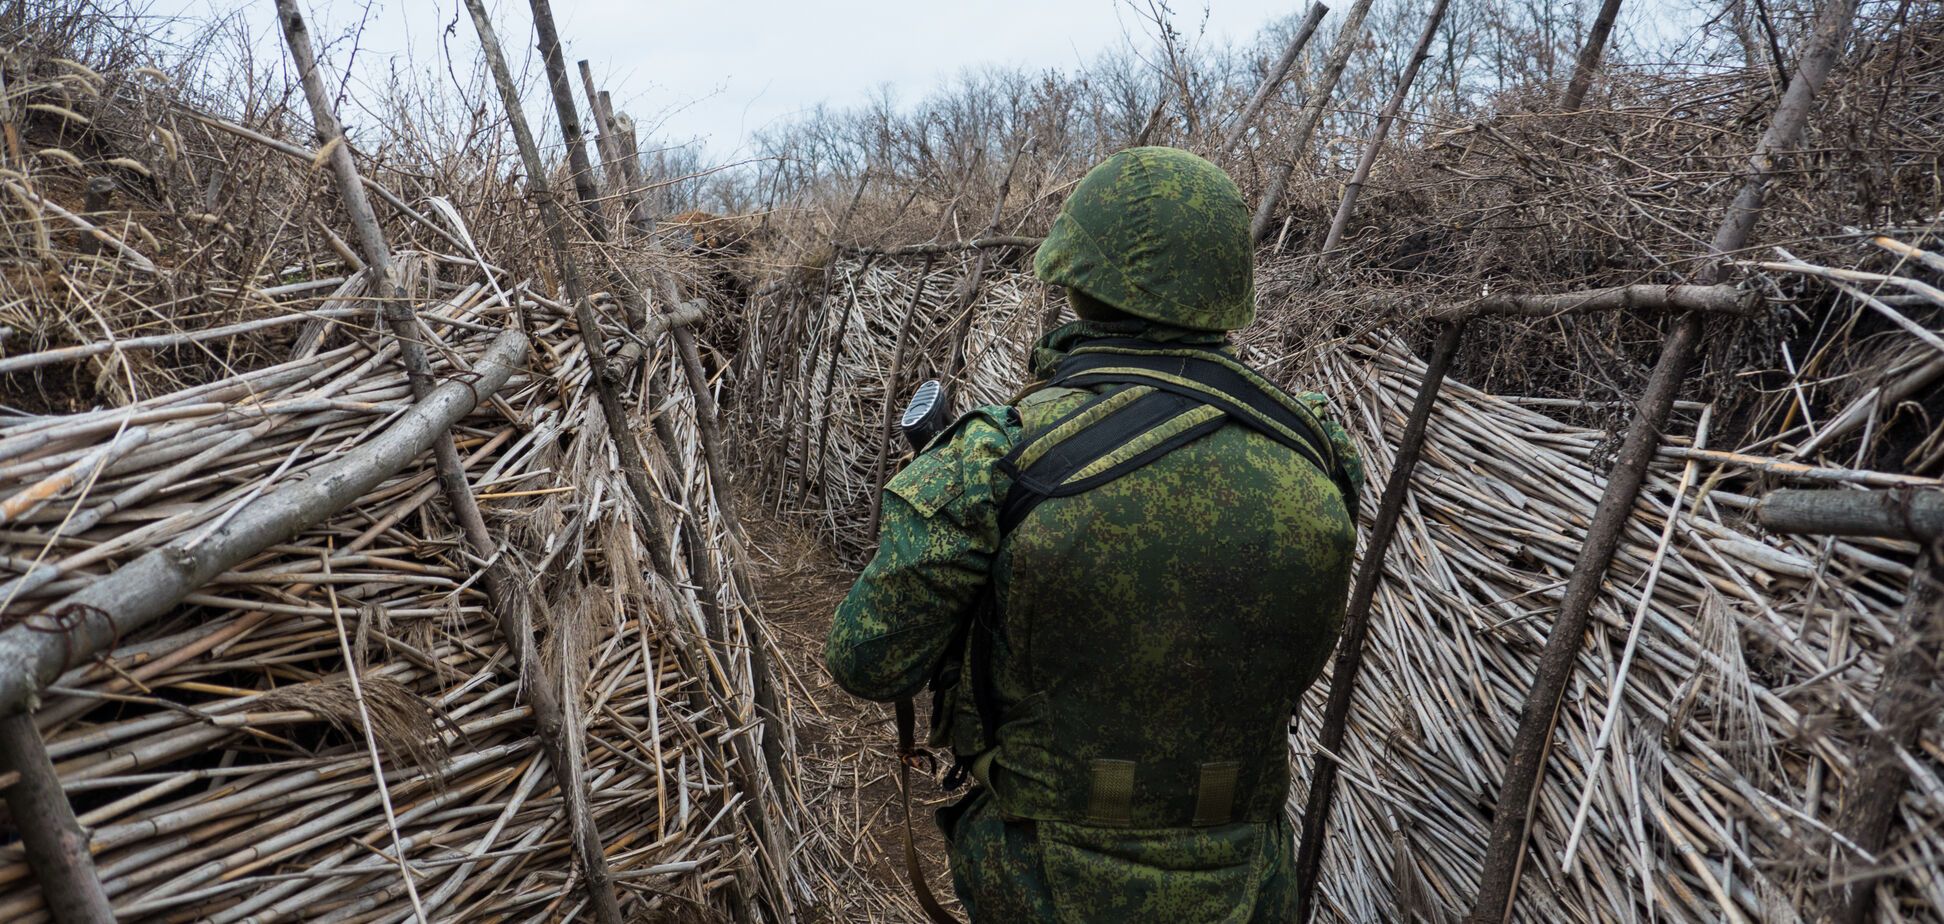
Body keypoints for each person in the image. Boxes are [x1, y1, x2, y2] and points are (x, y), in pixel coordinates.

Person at [825, 146, 1364, 922]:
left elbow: (866, 660)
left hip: (1045, 878)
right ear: (1227, 288)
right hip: (1249, 877)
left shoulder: (992, 459)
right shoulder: (1313, 450)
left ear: (1077, 284)